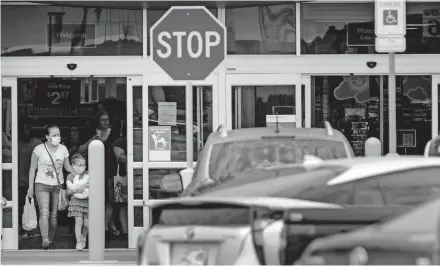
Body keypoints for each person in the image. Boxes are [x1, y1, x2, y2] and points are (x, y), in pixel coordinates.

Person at [27, 124, 75, 249]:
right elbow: (32, 168)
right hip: (41, 184)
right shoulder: (38, 149)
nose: (57, 137)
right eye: (54, 135)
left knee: (54, 214)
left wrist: (81, 171)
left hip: (57, 185)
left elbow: (67, 167)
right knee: (44, 212)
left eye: (58, 134)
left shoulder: (63, 149)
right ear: (47, 137)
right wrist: (30, 187)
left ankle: (51, 239)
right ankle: (45, 239)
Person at [78, 110, 121, 240]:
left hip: (109, 170)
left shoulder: (114, 133)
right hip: (93, 171)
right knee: (93, 199)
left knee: (109, 200)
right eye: (103, 119)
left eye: (107, 119)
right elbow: (80, 150)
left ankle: (105, 227)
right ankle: (94, 226)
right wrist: (93, 139)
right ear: (97, 121)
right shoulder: (90, 132)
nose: (106, 122)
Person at [18, 123, 42, 239]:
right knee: (21, 206)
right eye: (23, 129)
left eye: (28, 128)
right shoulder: (16, 143)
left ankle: (31, 228)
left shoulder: (37, 144)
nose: (25, 131)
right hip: (20, 180)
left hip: (34, 181)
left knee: (33, 206)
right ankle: (22, 228)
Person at [66, 153, 89, 251]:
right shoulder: (70, 176)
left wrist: (82, 188)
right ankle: (78, 242)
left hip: (87, 201)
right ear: (73, 165)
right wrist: (78, 189)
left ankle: (84, 236)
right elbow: (68, 192)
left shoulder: (88, 175)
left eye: (84, 165)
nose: (82, 167)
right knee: (78, 222)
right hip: (75, 202)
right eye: (80, 165)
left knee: (87, 224)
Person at [113, 132, 128, 239]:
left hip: (137, 176)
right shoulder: (120, 142)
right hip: (124, 177)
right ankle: (125, 231)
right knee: (123, 205)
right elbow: (122, 158)